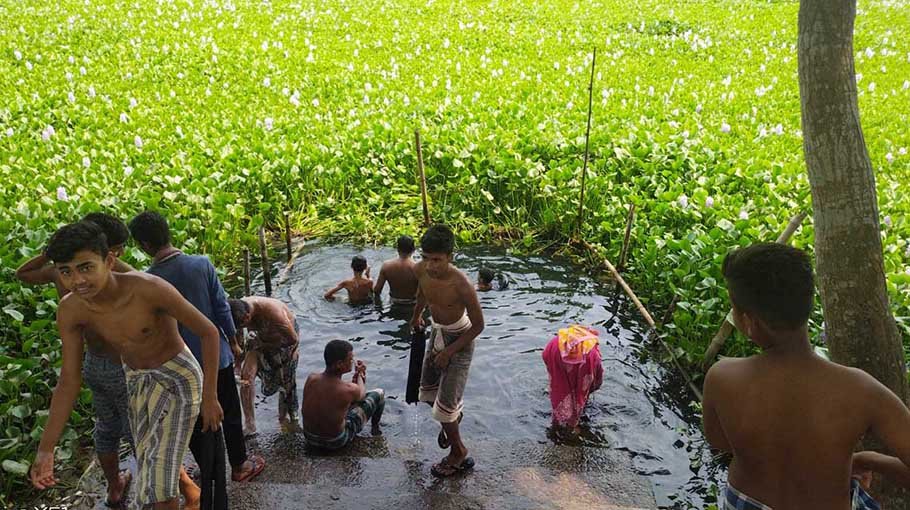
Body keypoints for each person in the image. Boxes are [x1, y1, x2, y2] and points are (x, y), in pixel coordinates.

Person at [30, 221, 223, 510]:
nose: (77, 280)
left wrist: (210, 397)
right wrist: (46, 449)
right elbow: (69, 380)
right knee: (148, 464)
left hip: (178, 376)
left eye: (85, 267)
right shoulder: (71, 310)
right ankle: (193, 498)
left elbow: (208, 331)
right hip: (135, 377)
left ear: (109, 260)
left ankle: (187, 498)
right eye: (66, 271)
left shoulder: (149, 289)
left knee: (159, 480)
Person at [703, 242, 910, 510]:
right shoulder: (862, 390)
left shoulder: (722, 377)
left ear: (749, 322)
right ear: (807, 304)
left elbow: (719, 441)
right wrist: (868, 459)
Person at [15, 213, 152, 508]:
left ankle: (115, 488)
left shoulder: (58, 274)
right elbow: (146, 283)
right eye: (115, 248)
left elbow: (23, 273)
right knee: (140, 433)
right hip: (121, 367)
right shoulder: (114, 275)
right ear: (106, 250)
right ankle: (174, 487)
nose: (76, 280)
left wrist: (53, 255)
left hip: (92, 363)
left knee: (106, 428)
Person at [129, 211, 265, 501]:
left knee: (192, 421)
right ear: (168, 232)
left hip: (179, 365)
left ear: (143, 245)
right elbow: (221, 307)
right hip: (218, 357)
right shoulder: (201, 264)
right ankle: (239, 465)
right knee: (228, 411)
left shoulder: (148, 280)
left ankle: (209, 470)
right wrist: (234, 341)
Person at [410, 224, 484, 477]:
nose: (431, 265)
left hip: (460, 339)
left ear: (450, 256)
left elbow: (479, 326)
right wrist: (416, 315)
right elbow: (422, 293)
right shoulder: (420, 269)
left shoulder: (461, 284)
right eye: (426, 258)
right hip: (436, 331)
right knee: (427, 395)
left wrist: (450, 352)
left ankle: (459, 453)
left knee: (444, 408)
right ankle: (452, 420)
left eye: (437, 260)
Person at [229, 297, 300, 434]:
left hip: (283, 339)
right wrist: (237, 365)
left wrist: (263, 345)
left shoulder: (274, 313)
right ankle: (250, 425)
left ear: (247, 316)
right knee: (246, 377)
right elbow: (239, 344)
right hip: (257, 339)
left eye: (243, 325)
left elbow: (292, 339)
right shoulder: (236, 310)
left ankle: (288, 419)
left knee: (286, 383)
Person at [301, 340, 384, 450]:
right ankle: (375, 429)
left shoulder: (311, 378)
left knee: (345, 404)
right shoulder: (348, 389)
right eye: (350, 360)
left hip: (309, 437)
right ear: (339, 364)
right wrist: (360, 375)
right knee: (379, 393)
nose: (352, 362)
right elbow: (361, 395)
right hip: (335, 441)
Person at [542, 325, 604, 433]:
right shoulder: (593, 353)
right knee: (580, 392)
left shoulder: (556, 341)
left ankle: (556, 423)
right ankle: (572, 426)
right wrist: (590, 390)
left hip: (555, 350)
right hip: (584, 359)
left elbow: (545, 356)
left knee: (559, 386)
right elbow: (597, 380)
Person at [373, 235, 419, 304]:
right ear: (413, 249)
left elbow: (377, 290)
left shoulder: (386, 266)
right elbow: (424, 293)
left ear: (397, 249)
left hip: (394, 302)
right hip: (413, 304)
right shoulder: (418, 268)